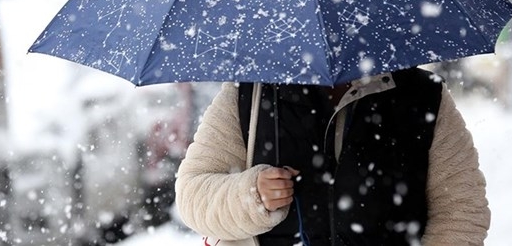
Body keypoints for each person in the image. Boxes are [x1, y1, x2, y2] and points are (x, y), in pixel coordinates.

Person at [175, 67, 490, 245]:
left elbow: (462, 210)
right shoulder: (251, 93)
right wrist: (251, 195)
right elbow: (192, 195)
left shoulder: (422, 96)